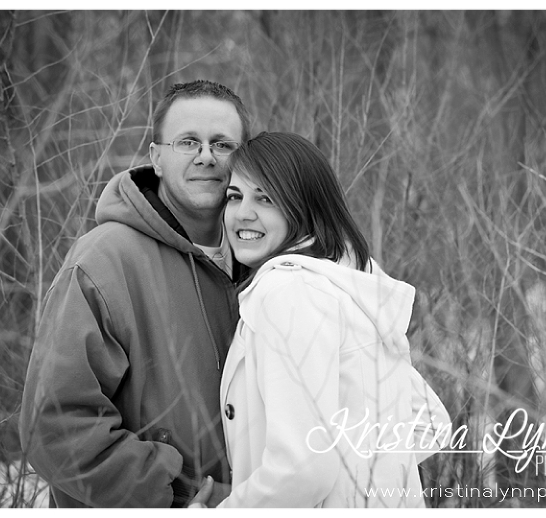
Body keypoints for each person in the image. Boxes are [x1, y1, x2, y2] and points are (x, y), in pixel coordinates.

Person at [18, 80, 250, 507]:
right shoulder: (103, 262)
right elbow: (55, 426)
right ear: (156, 157)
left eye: (222, 144)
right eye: (187, 142)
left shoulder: (263, 260)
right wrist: (178, 493)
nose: (205, 156)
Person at [191, 132, 450, 508]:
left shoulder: (288, 293)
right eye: (235, 196)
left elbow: (301, 470)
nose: (243, 213)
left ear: (304, 207)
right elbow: (427, 421)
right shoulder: (344, 286)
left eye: (265, 198)